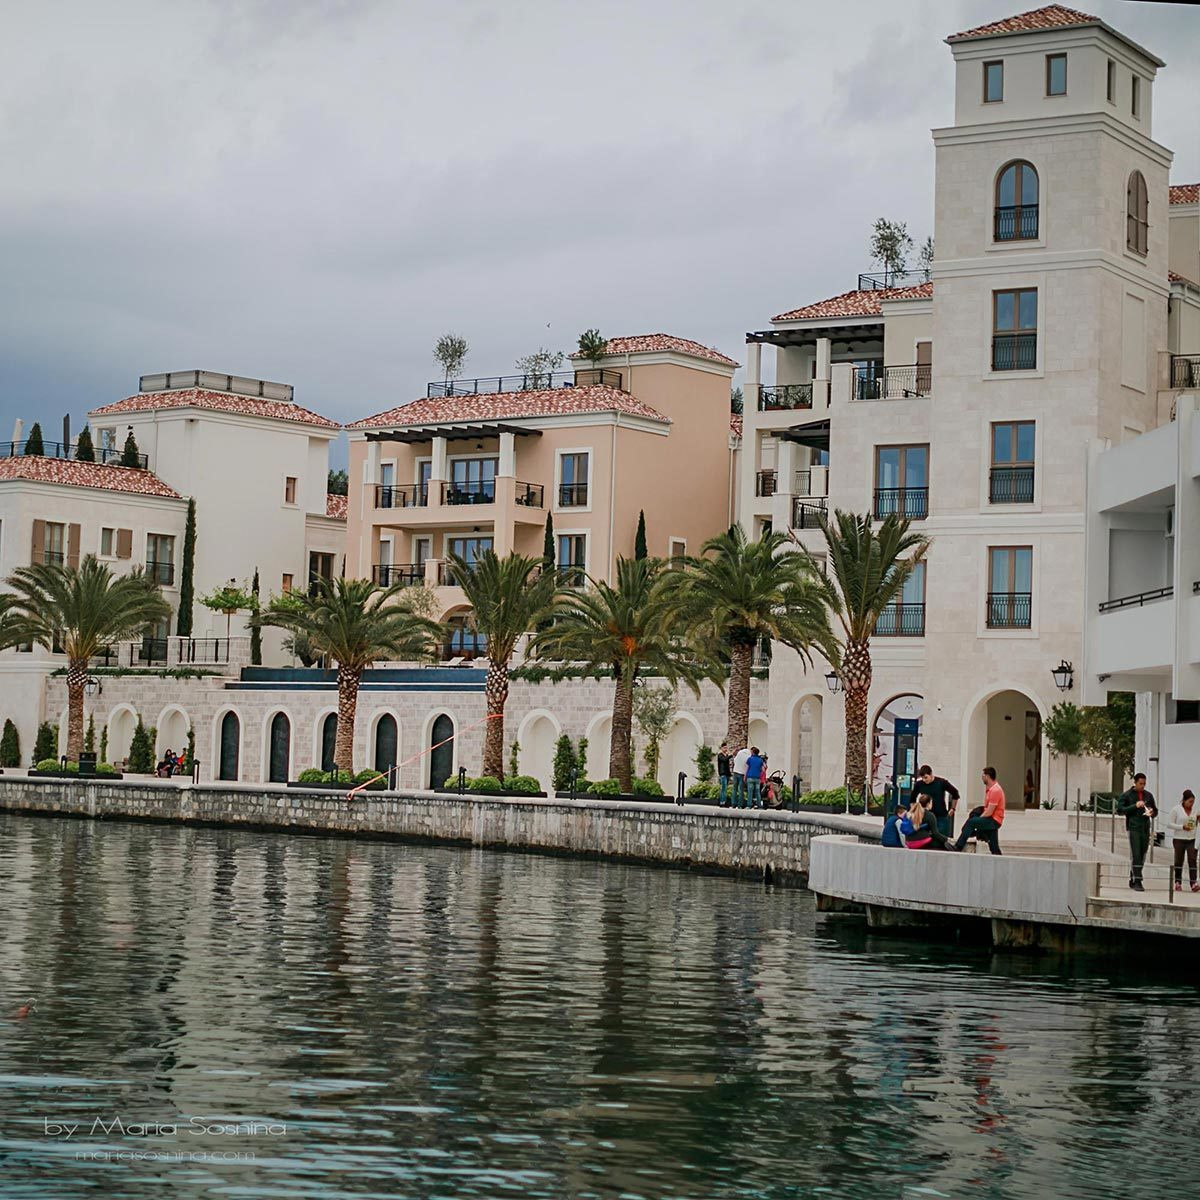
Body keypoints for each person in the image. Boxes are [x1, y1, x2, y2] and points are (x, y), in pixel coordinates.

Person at [1117, 772, 1158, 892]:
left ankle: (1134, 874)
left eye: (1144, 784)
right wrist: (1134, 806)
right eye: (1140, 783)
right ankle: (1138, 880)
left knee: (1143, 853)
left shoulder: (1148, 796)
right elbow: (1120, 810)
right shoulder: (1127, 795)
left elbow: (1155, 810)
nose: (1142, 786)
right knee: (1135, 853)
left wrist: (1152, 812)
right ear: (1135, 782)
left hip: (1145, 827)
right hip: (1133, 827)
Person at [953, 767, 1005, 855]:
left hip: (994, 820)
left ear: (987, 776)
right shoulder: (991, 789)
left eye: (983, 775)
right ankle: (995, 853)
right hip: (993, 819)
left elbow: (989, 812)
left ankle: (958, 846)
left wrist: (978, 821)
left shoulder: (995, 790)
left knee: (971, 823)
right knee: (994, 846)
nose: (982, 777)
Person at [911, 765, 960, 840]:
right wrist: (915, 811)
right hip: (925, 816)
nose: (924, 780)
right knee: (926, 838)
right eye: (922, 778)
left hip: (941, 815)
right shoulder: (919, 784)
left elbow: (955, 793)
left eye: (926, 777)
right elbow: (912, 798)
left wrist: (953, 808)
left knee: (941, 837)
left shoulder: (941, 782)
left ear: (931, 774)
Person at [1168, 789, 1199, 893]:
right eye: (1189, 802)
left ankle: (1193, 882)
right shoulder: (1176, 810)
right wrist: (1182, 827)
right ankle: (1178, 882)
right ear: (1184, 800)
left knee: (1192, 860)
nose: (1191, 804)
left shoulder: (1195, 811)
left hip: (1191, 839)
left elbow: (1195, 823)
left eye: (1193, 802)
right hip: (1179, 839)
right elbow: (1170, 824)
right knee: (1178, 860)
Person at [732, 744, 750, 809]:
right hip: (742, 773)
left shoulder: (739, 753)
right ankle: (740, 805)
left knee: (734, 789)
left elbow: (735, 761)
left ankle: (733, 804)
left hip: (735, 772)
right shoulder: (749, 756)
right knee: (741, 789)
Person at [716, 742, 732, 807]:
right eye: (724, 748)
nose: (726, 749)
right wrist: (730, 755)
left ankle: (724, 801)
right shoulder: (720, 755)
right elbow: (724, 760)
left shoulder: (726, 756)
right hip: (723, 773)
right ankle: (722, 802)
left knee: (725, 788)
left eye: (726, 748)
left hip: (727, 773)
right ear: (722, 748)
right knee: (723, 788)